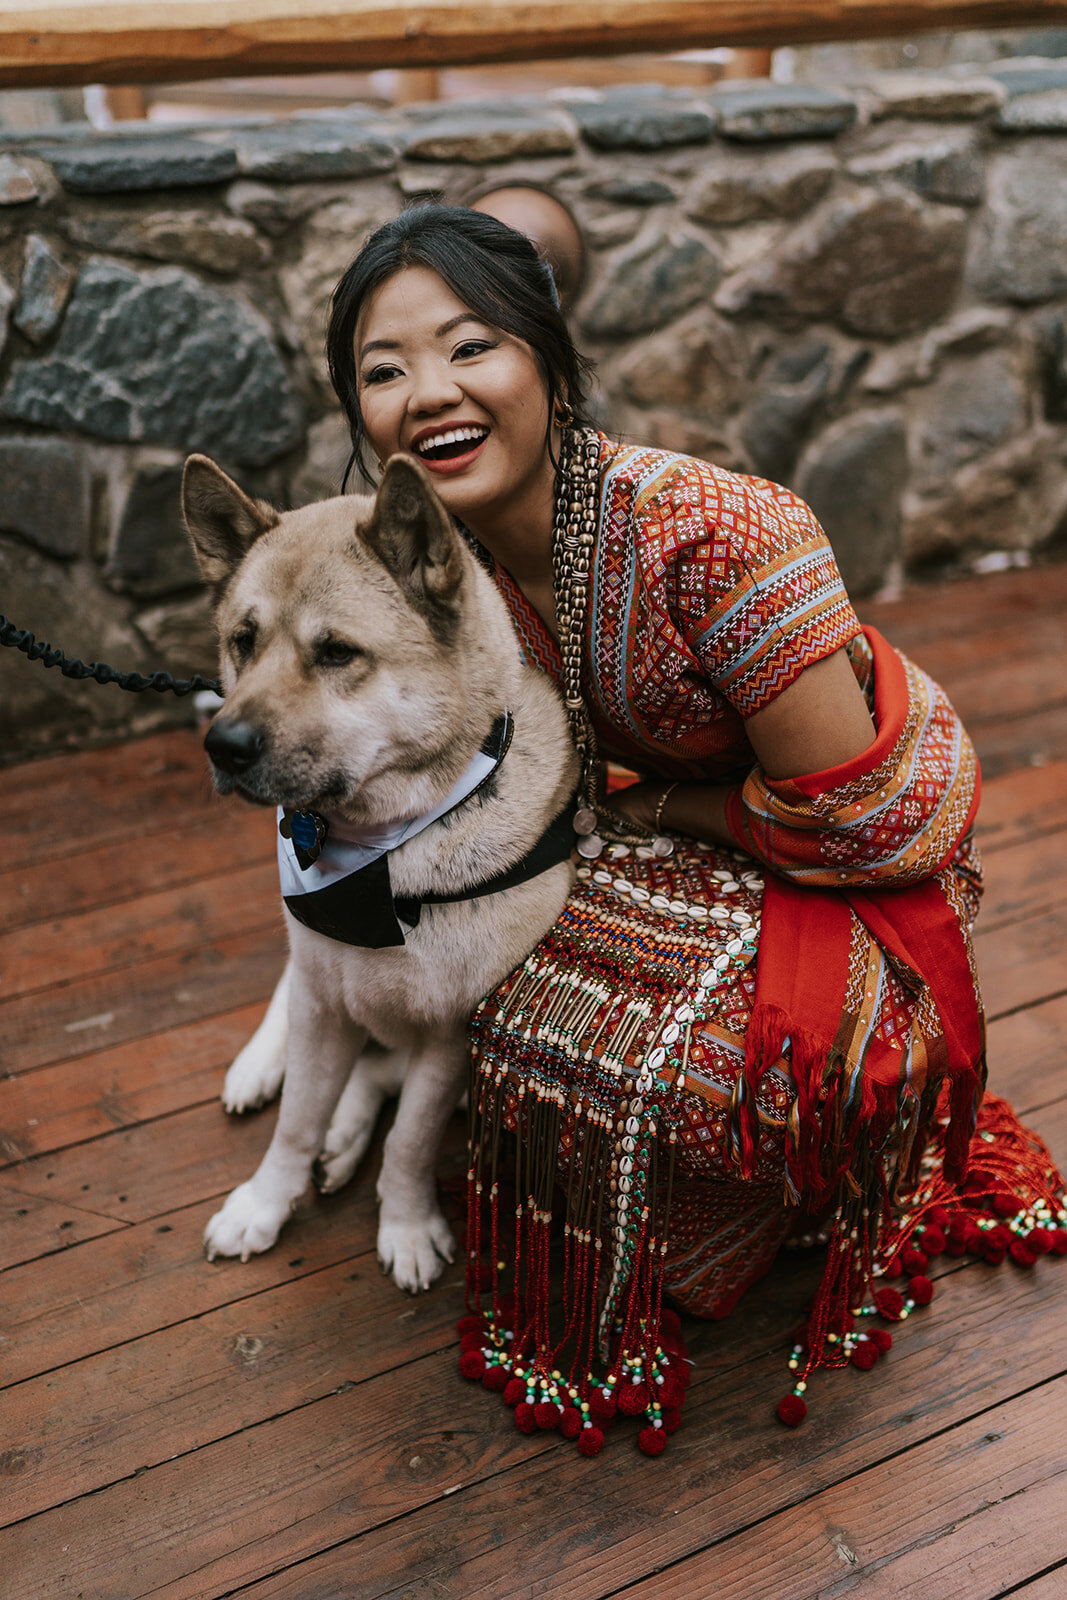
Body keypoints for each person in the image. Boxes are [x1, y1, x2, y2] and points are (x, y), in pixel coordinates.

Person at [325, 204, 1063, 1453]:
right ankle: (664, 1210)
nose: (427, 393)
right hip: (677, 829)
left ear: (550, 367)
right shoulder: (435, 563)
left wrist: (650, 808)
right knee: (489, 985)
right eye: (382, 370)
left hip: (855, 856)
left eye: (469, 347)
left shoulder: (708, 534)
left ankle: (781, 1194)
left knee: (692, 1074)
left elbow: (851, 817)